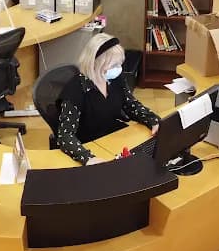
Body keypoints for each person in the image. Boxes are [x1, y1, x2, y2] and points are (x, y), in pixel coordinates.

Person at [57, 33, 159, 165]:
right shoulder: (75, 89)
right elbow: (65, 136)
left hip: (111, 136)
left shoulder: (115, 78)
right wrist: (87, 158)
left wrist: (152, 120)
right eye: (113, 65)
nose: (118, 69)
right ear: (95, 64)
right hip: (88, 144)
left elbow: (131, 105)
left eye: (120, 64)